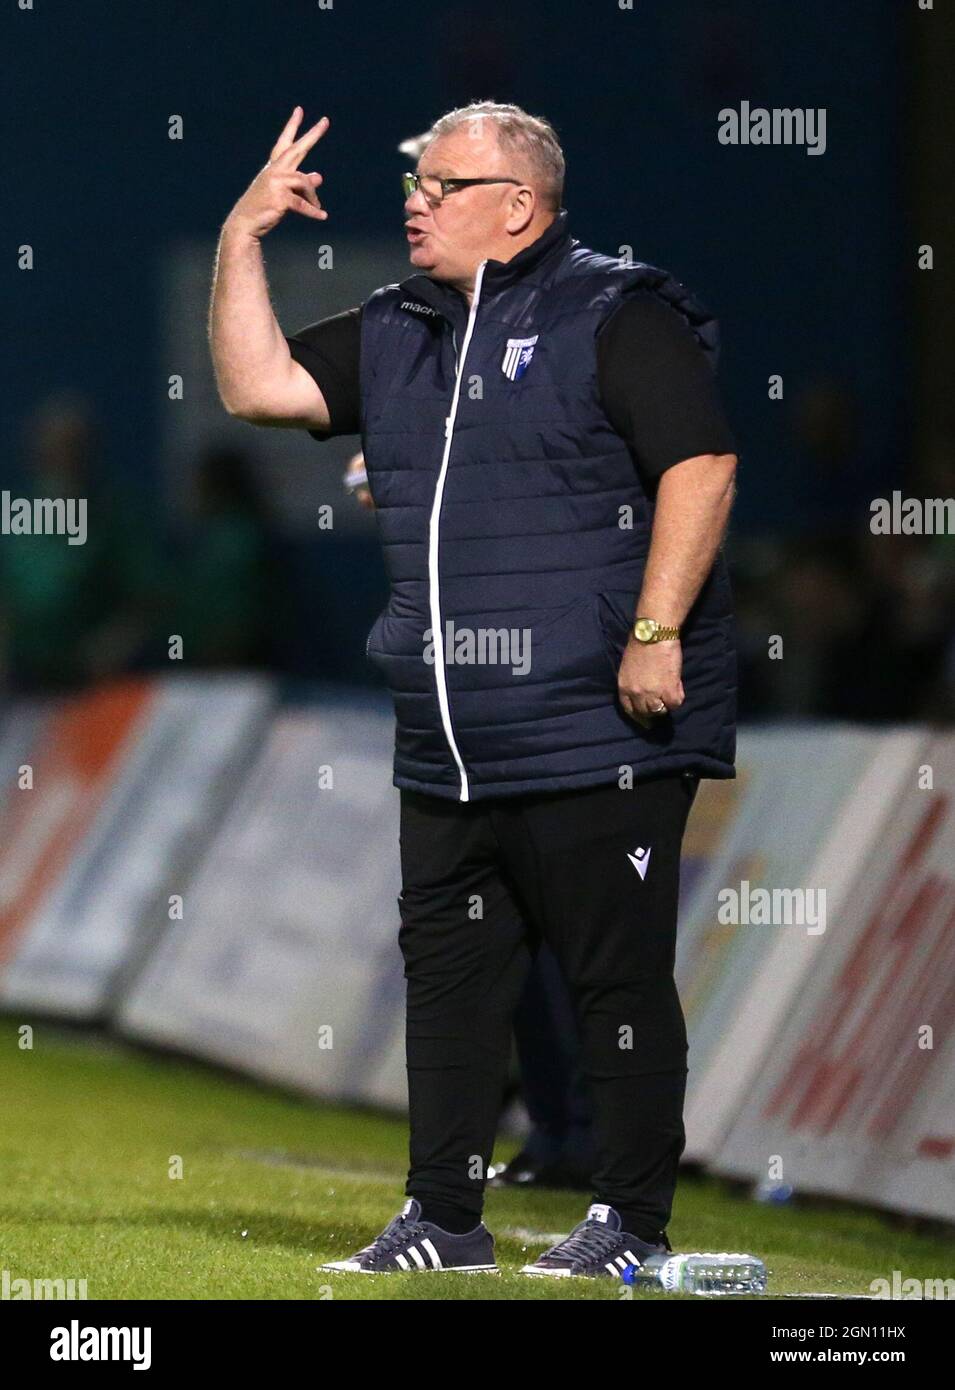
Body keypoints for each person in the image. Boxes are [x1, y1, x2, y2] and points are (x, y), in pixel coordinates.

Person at [209, 101, 738, 1278]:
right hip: (449, 730)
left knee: (613, 976)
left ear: (519, 204)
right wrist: (240, 238)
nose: (416, 199)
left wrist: (655, 633)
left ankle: (628, 1223)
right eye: (416, 180)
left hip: (598, 719)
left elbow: (702, 466)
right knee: (450, 984)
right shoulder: (401, 325)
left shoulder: (617, 310)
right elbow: (260, 390)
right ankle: (443, 1218)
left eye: (443, 184)